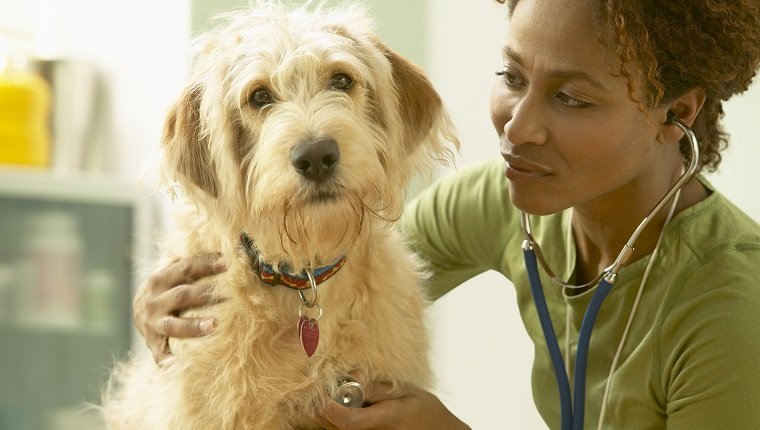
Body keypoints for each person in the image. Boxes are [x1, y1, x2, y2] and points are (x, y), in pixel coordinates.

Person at [132, 0, 760, 428]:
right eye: (511, 76)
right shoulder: (511, 201)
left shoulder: (732, 311)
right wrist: (164, 312)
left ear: (675, 112)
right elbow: (342, 250)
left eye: (571, 98)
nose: (518, 127)